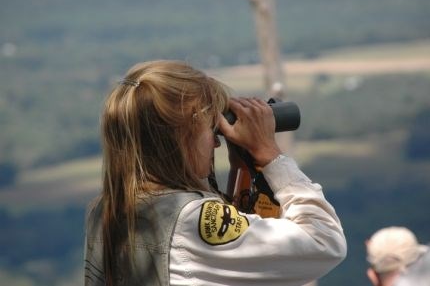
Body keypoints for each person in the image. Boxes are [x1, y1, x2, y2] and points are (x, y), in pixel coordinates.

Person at [84, 60, 346, 286]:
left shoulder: (106, 210)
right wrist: (268, 153)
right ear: (182, 135)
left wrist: (241, 168)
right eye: (211, 128)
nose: (217, 142)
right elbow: (323, 241)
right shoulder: (190, 220)